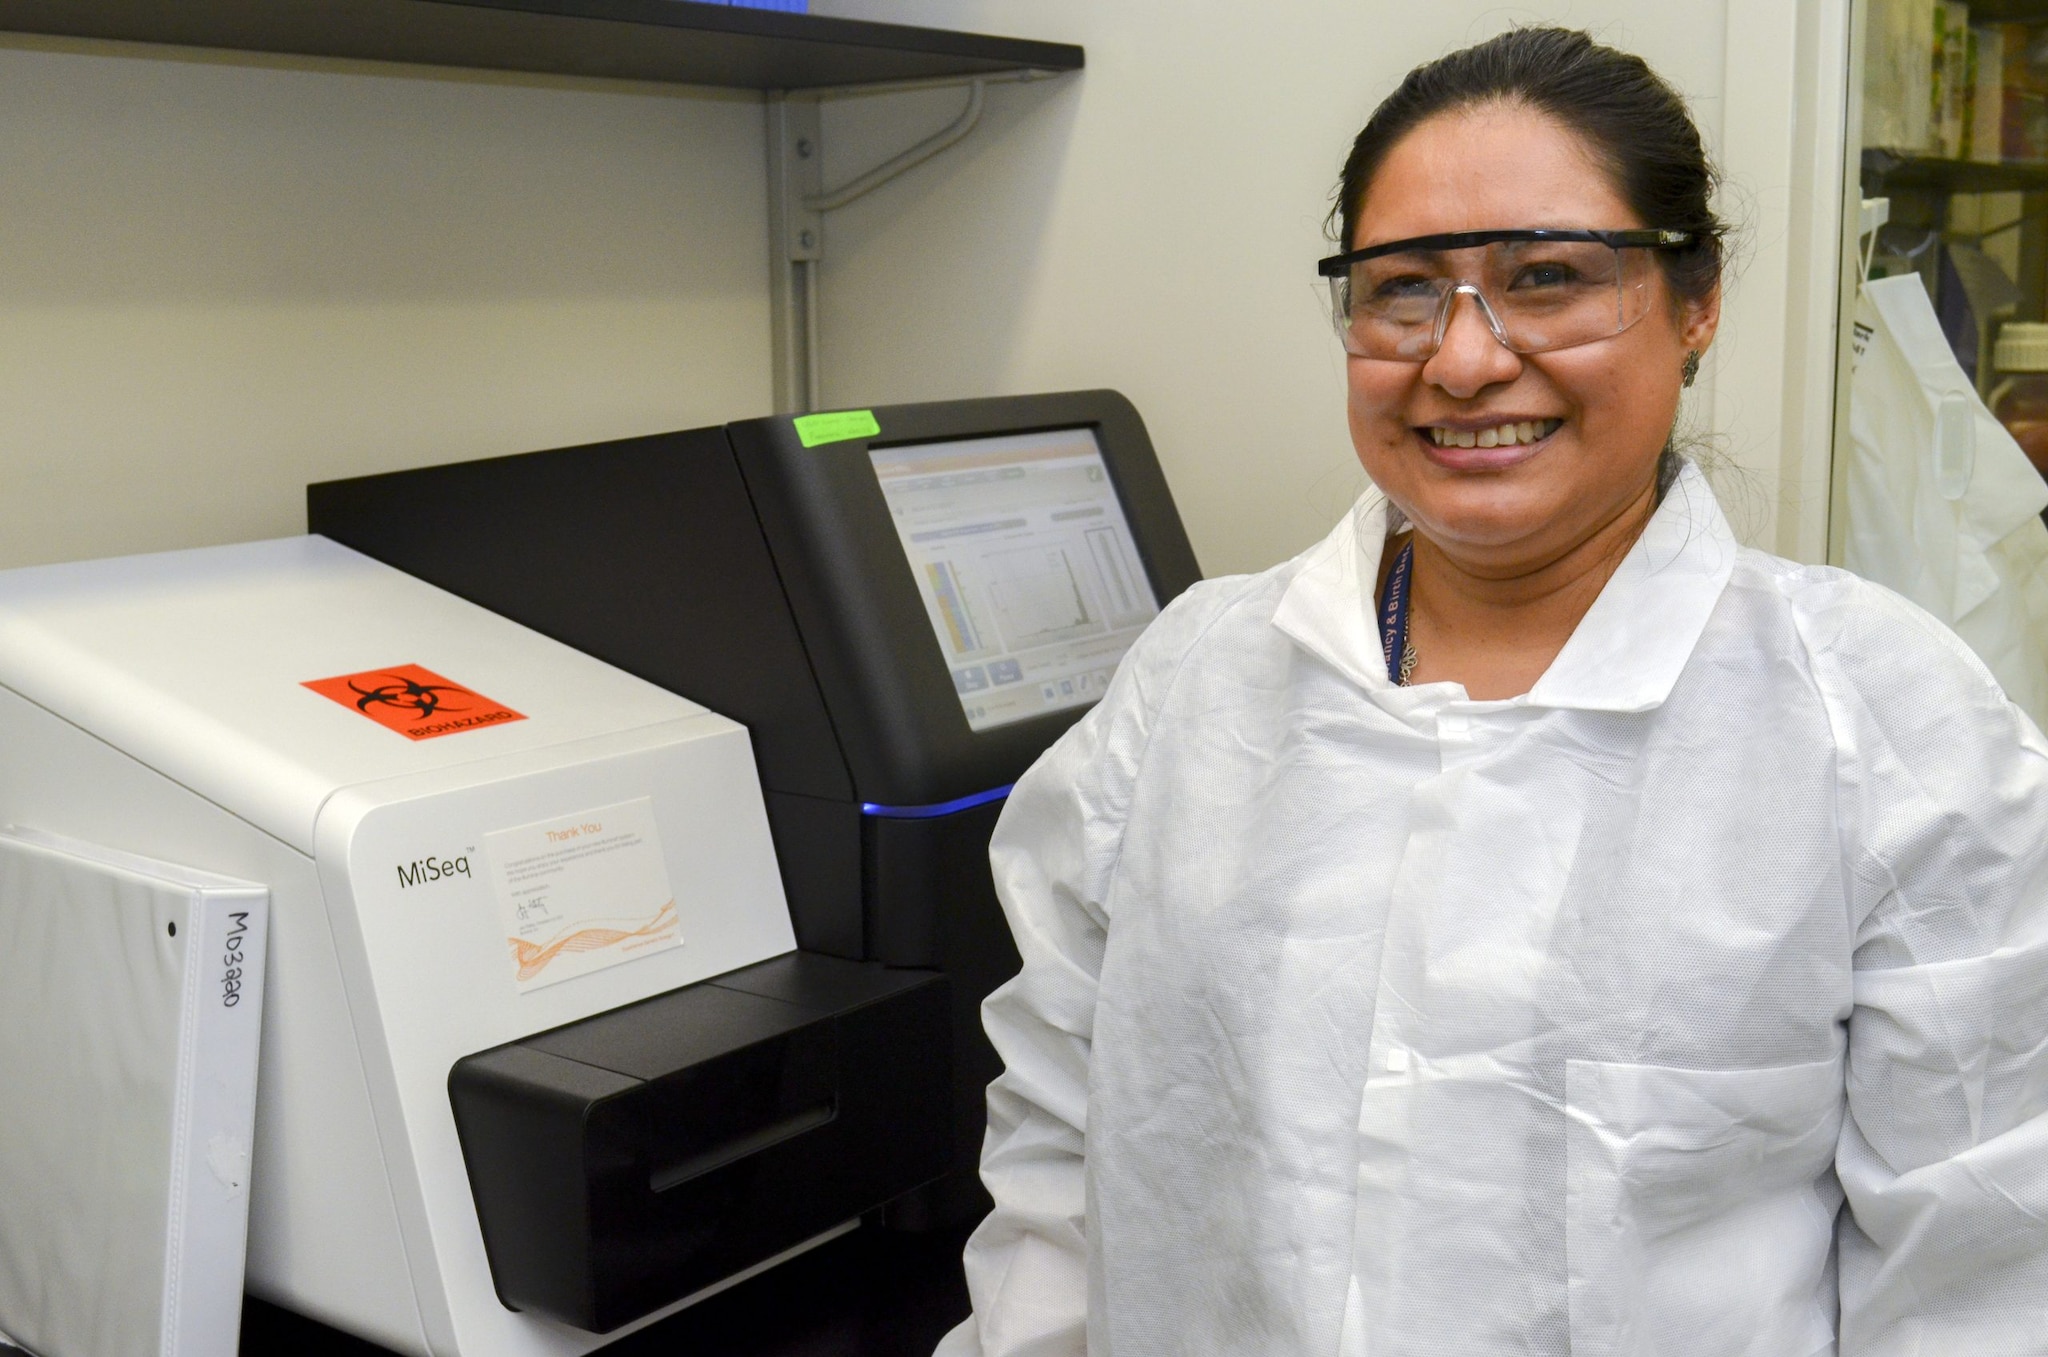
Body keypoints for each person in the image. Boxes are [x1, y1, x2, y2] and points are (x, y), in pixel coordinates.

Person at [933, 25, 2048, 1357]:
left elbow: (1983, 1263)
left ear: (1697, 303)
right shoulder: (1194, 685)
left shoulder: (1879, 720)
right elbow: (1058, 1155)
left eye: (1548, 277)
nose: (1462, 360)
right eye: (1404, 290)